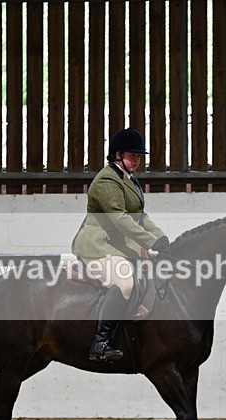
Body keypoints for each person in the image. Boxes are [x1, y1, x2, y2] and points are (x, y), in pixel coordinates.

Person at [72, 128, 170, 363]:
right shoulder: (107, 181)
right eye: (132, 155)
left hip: (118, 247)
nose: (137, 161)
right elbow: (120, 219)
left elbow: (141, 217)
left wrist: (161, 237)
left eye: (139, 156)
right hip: (98, 247)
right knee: (125, 282)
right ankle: (100, 343)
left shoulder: (129, 180)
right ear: (117, 154)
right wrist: (150, 241)